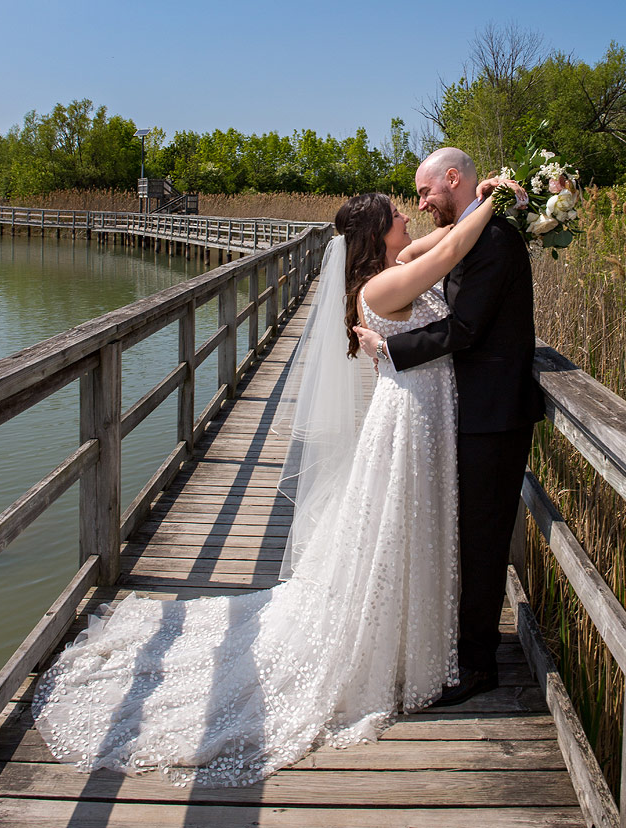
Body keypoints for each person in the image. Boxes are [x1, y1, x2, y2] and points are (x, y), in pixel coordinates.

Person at [32, 180, 506, 788]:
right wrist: (506, 199)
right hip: (409, 418)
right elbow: (446, 254)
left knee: (410, 521)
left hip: (425, 408)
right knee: (400, 519)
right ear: (376, 235)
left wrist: (476, 200)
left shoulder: (398, 264)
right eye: (397, 217)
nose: (409, 223)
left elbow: (441, 239)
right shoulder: (384, 284)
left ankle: (412, 632)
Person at [355, 147, 545, 706]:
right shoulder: (468, 232)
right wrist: (492, 202)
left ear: (453, 180)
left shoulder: (493, 240)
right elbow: (429, 254)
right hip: (466, 408)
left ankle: (478, 662)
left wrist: (390, 349)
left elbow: (463, 328)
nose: (420, 204)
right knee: (464, 533)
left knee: (483, 538)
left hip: (493, 414)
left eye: (425, 192)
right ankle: (460, 646)